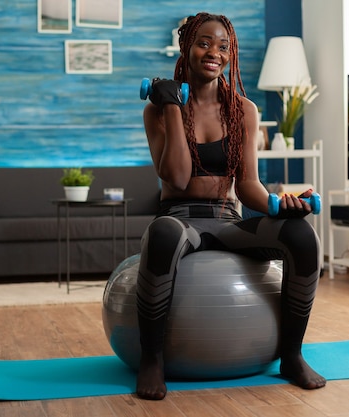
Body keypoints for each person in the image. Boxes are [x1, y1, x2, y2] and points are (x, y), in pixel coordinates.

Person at [136, 12, 326, 401]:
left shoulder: (244, 110)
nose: (214, 53)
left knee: (302, 237)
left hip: (227, 220)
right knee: (161, 233)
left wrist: (281, 205)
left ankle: (291, 355)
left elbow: (249, 186)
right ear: (185, 46)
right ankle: (152, 360)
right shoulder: (156, 108)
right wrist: (173, 105)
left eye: (224, 47)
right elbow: (176, 177)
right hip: (180, 220)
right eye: (204, 42)